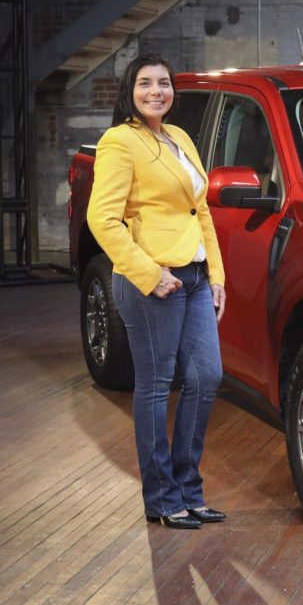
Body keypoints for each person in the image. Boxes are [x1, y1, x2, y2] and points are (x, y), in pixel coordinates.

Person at [87, 53, 227, 530]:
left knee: (206, 376)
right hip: (153, 282)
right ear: (130, 89)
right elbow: (101, 219)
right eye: (145, 83)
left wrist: (217, 275)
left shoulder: (180, 137)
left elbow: (200, 209)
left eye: (163, 84)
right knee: (153, 389)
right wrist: (150, 273)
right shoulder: (119, 141)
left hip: (193, 276)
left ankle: (189, 489)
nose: (155, 92)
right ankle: (163, 498)